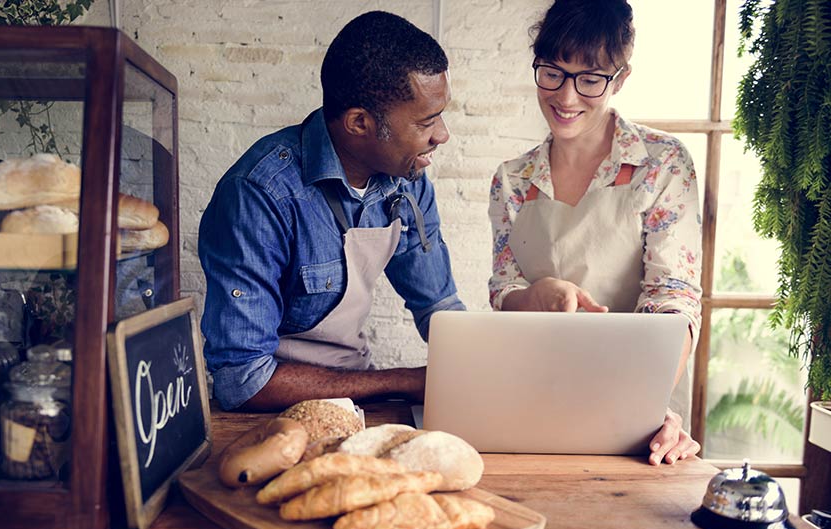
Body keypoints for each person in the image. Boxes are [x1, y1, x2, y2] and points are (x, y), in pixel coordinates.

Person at [199, 11, 464, 412]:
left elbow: (438, 308)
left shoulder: (406, 180)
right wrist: (405, 382)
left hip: (355, 396)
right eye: (427, 120)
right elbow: (243, 380)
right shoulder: (259, 194)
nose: (442, 134)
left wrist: (480, 367)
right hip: (272, 412)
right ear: (359, 122)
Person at [488, 0, 703, 465]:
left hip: (638, 413)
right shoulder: (513, 178)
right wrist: (537, 295)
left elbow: (673, 297)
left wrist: (639, 403)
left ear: (620, 78)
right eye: (552, 73)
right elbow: (504, 289)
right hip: (532, 399)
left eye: (589, 79)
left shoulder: (662, 163)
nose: (566, 98)